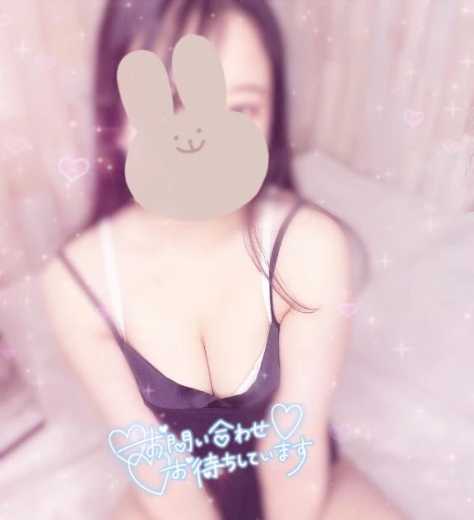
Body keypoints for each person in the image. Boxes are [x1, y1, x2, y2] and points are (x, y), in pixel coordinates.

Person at [40, 1, 404, 518]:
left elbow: (294, 440)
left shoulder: (308, 246)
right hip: (172, 495)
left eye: (241, 110)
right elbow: (152, 458)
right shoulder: (80, 281)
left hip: (305, 482)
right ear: (116, 118)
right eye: (169, 104)